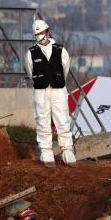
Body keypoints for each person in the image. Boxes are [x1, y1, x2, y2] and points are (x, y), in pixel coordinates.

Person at [28, 18, 76, 166]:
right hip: (41, 90)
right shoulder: (31, 53)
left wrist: (56, 80)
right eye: (37, 34)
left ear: (47, 31)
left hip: (58, 89)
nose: (40, 36)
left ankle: (67, 150)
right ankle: (46, 150)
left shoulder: (61, 50)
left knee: (62, 118)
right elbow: (31, 72)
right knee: (42, 119)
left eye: (42, 32)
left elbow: (65, 69)